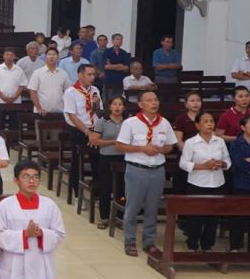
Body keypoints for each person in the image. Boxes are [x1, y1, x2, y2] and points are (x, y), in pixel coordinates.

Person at [115, 91, 177, 258]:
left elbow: (170, 145)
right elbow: (120, 145)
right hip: (137, 170)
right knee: (133, 207)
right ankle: (130, 241)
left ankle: (149, 242)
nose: (154, 103)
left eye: (155, 100)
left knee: (152, 207)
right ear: (141, 104)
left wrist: (162, 149)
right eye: (149, 100)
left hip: (157, 170)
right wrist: (141, 148)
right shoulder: (130, 123)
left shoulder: (164, 123)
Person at [0, 161, 65, 279]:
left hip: (41, 267)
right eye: (26, 177)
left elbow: (59, 234)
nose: (31, 181)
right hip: (14, 268)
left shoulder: (49, 205)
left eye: (35, 177)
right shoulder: (5, 206)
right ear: (16, 180)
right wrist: (24, 234)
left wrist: (41, 233)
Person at [179, 111, 231, 252]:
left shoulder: (220, 141)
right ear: (197, 125)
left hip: (217, 183)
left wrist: (222, 164)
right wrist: (204, 166)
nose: (209, 124)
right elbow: (183, 163)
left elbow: (227, 160)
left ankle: (208, 246)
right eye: (205, 121)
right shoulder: (191, 142)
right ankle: (193, 245)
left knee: (213, 217)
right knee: (195, 217)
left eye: (211, 121)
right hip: (197, 184)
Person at [62, 64, 102, 197]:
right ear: (80, 75)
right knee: (77, 162)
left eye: (94, 75)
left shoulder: (95, 90)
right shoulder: (71, 92)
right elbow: (72, 116)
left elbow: (98, 113)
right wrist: (87, 132)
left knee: (97, 161)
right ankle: (77, 195)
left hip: (94, 130)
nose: (92, 77)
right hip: (78, 131)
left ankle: (96, 192)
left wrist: (96, 104)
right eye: (89, 75)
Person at [88, 96, 126, 231]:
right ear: (109, 106)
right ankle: (104, 217)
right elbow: (94, 140)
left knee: (122, 189)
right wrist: (113, 142)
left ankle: (120, 217)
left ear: (124, 107)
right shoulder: (102, 121)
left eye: (120, 104)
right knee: (106, 188)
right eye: (114, 104)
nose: (117, 107)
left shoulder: (128, 122)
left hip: (124, 158)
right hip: (106, 159)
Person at [229, 114, 250, 252]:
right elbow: (238, 163)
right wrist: (246, 163)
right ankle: (235, 247)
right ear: (243, 127)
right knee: (238, 217)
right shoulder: (237, 143)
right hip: (241, 184)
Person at [27, 48, 71, 114]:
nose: (51, 57)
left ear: (58, 57)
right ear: (45, 57)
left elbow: (68, 92)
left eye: (54, 54)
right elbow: (33, 92)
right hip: (41, 112)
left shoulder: (63, 74)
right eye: (49, 54)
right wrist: (39, 108)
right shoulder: (37, 73)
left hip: (60, 112)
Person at [101, 34, 131, 101]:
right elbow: (106, 67)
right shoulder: (107, 52)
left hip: (120, 81)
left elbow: (126, 67)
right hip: (109, 81)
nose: (120, 41)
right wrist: (120, 65)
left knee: (118, 100)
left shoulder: (124, 53)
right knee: (108, 101)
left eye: (121, 39)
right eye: (117, 39)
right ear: (112, 41)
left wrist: (112, 66)